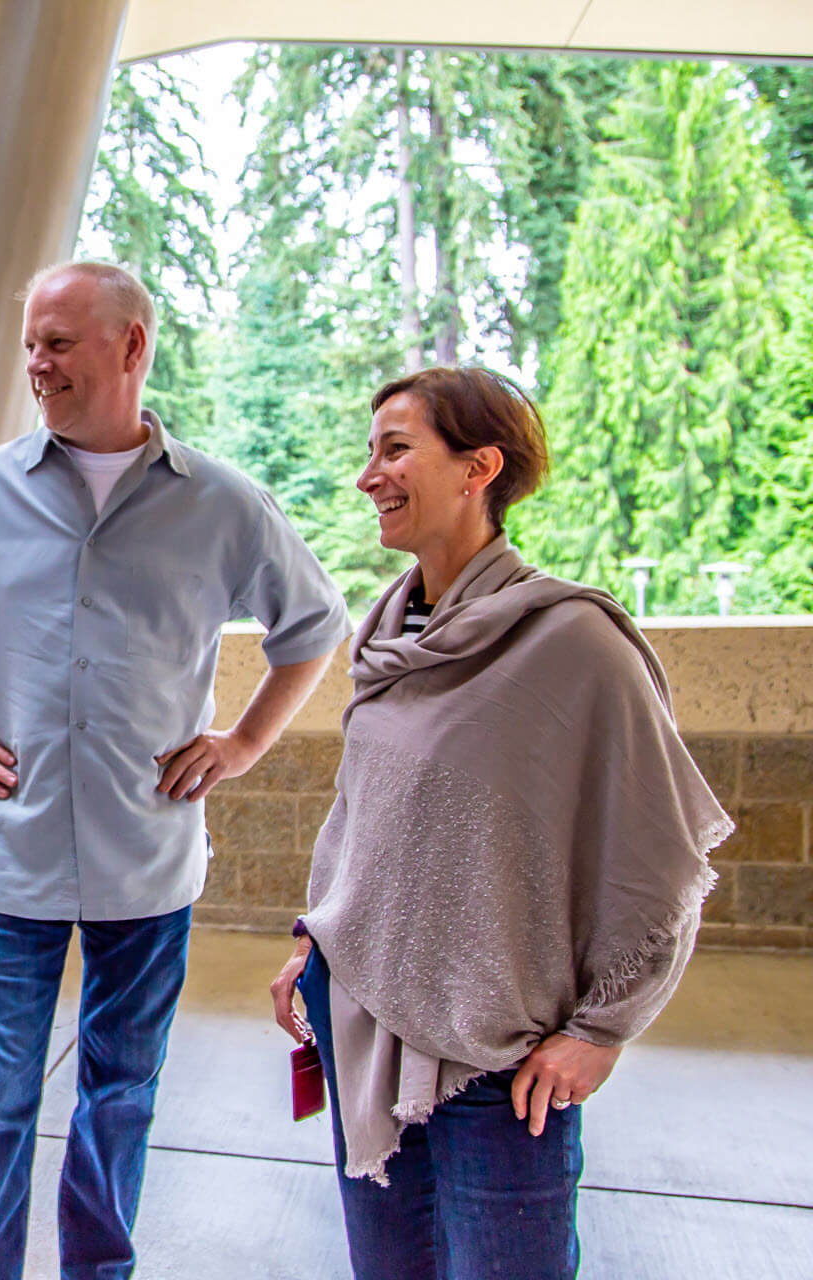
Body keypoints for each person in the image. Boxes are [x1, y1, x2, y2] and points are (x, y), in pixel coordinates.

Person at [0, 262, 350, 1280]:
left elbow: (316, 624)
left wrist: (242, 742)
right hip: (7, 859)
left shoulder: (222, 503)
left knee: (121, 1091)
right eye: (31, 341)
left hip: (149, 859)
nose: (37, 362)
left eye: (59, 341)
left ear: (131, 345)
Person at [269, 367, 729, 1280]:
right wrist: (315, 940)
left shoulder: (574, 643)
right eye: (371, 451)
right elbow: (361, 816)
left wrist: (602, 1030)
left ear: (480, 467)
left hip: (499, 1067)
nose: (369, 475)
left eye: (396, 449)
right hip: (364, 1029)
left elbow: (663, 857)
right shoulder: (386, 637)